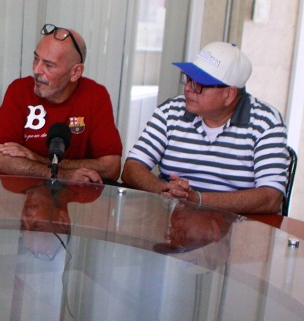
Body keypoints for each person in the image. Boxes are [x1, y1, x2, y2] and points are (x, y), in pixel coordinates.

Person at [121, 42, 288, 215]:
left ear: (229, 94)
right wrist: (165, 190)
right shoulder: (171, 110)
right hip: (172, 221)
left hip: (235, 227)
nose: (187, 88)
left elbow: (271, 198)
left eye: (198, 84)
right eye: (188, 79)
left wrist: (199, 200)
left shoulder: (265, 123)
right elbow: (132, 168)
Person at [0, 24, 123, 183]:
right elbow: (0, 158)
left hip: (73, 198)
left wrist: (36, 158)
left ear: (75, 72)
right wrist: (61, 175)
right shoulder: (19, 90)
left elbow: (111, 168)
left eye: (48, 65)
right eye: (36, 59)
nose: (37, 70)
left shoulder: (95, 96)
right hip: (19, 195)